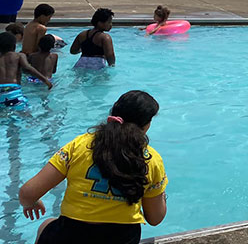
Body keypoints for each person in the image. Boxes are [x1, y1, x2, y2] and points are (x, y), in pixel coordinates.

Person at [18, 90, 168, 243]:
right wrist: (162, 195)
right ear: (146, 125)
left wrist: (33, 202)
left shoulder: (80, 145)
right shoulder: (151, 159)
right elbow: (155, 218)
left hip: (71, 236)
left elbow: (27, 194)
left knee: (46, 224)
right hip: (122, 239)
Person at [0, 32, 52, 106]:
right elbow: (28, 68)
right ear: (14, 45)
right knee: (25, 114)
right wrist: (45, 80)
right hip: (13, 90)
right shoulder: (19, 56)